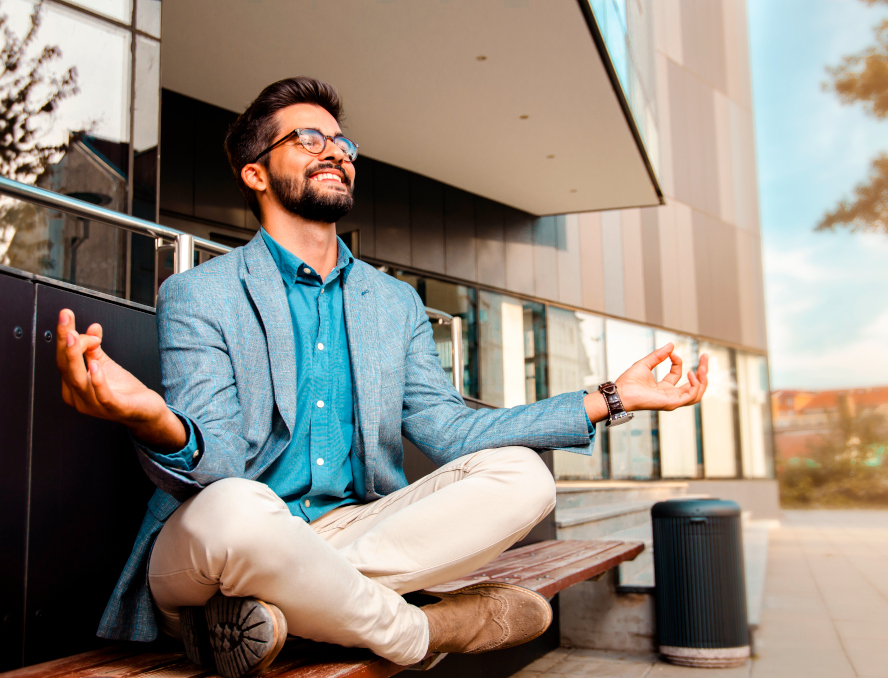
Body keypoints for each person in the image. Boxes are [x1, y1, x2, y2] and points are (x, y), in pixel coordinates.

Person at [54, 77, 708, 678]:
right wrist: (150, 417)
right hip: (217, 543)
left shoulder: (392, 304)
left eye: (342, 141)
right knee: (237, 507)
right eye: (308, 138)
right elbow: (219, 463)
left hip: (352, 529)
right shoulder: (200, 293)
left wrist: (610, 398)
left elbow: (450, 430)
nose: (334, 150)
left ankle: (287, 613)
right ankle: (419, 630)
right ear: (254, 173)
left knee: (523, 476)